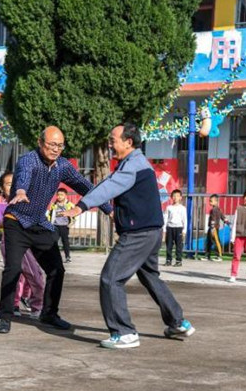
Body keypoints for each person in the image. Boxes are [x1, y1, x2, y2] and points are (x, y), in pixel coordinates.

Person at [62, 123, 194, 349]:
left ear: (128, 142)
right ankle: (178, 322)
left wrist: (80, 207)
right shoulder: (137, 163)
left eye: (113, 140)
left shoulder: (133, 165)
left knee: (111, 278)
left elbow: (108, 187)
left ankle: (125, 333)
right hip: (151, 232)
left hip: (138, 235)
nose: (109, 144)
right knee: (150, 277)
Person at [0, 126, 111, 334]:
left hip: (39, 224)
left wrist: (109, 210)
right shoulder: (28, 160)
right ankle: (5, 317)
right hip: (16, 222)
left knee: (57, 269)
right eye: (51, 144)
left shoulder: (63, 166)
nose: (56, 149)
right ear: (40, 143)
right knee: (13, 269)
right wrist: (20, 191)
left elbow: (86, 187)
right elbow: (23, 176)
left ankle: (49, 314)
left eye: (60, 145)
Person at [0, 172, 44, 322]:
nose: (13, 186)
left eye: (16, 183)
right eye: (9, 184)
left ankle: (37, 306)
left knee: (35, 276)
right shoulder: (0, 207)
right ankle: (7, 307)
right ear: (1, 188)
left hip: (28, 245)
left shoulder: (28, 204)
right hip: (9, 243)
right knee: (13, 276)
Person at [48, 188, 74, 263]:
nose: (59, 196)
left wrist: (71, 223)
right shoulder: (54, 204)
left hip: (64, 226)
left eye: (62, 195)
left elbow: (74, 214)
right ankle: (53, 257)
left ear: (66, 196)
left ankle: (67, 257)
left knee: (65, 241)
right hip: (55, 225)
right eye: (58, 195)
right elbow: (50, 214)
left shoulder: (69, 205)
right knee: (54, 241)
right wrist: (50, 223)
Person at [162, 189, 187, 267]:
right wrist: (164, 230)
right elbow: (165, 218)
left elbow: (185, 219)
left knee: (179, 245)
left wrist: (184, 231)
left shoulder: (183, 208)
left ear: (180, 197)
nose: (176, 197)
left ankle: (178, 261)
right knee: (169, 245)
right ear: (171, 197)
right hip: (170, 228)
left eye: (177, 196)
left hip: (179, 228)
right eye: (174, 196)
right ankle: (168, 260)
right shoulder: (169, 208)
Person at [202, 194, 226, 262]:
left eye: (211, 201)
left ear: (216, 201)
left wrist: (212, 227)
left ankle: (219, 256)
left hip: (214, 228)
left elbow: (214, 219)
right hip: (211, 228)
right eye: (210, 201)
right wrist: (226, 221)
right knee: (209, 241)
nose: (210, 202)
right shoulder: (218, 209)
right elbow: (223, 217)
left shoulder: (214, 210)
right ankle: (207, 255)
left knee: (216, 241)